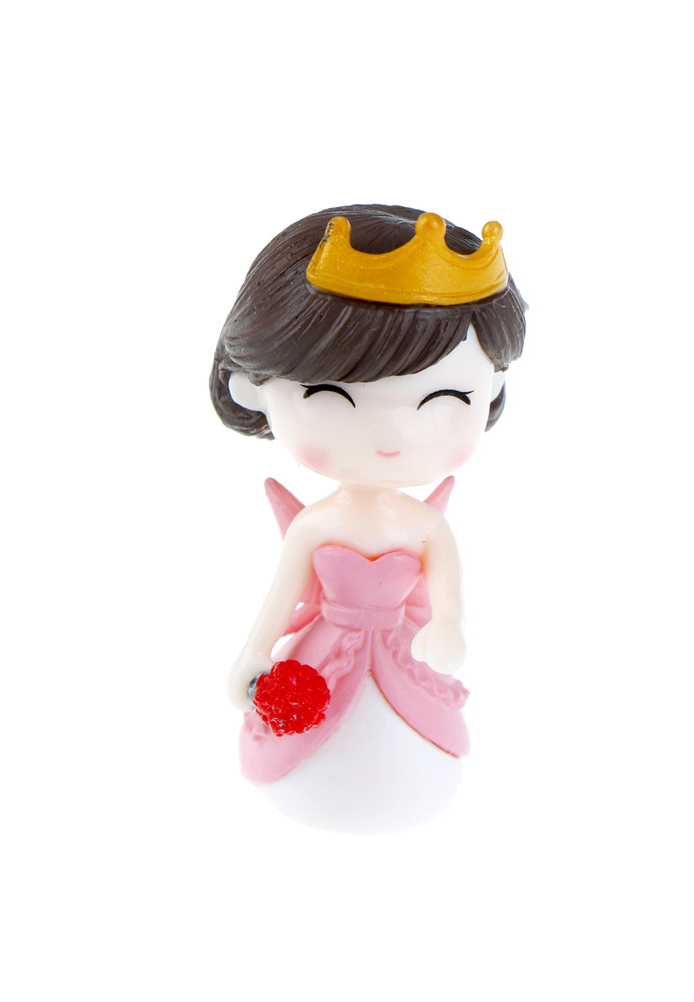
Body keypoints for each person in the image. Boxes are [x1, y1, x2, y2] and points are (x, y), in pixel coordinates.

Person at [211, 204, 526, 831]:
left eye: (447, 398)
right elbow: (281, 597)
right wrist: (253, 653)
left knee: (415, 730)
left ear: (490, 391)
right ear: (255, 388)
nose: (392, 435)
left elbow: (448, 596)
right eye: (330, 396)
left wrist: (449, 626)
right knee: (313, 736)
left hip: (405, 653)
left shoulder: (426, 527)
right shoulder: (316, 526)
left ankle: (409, 779)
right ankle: (310, 783)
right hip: (322, 657)